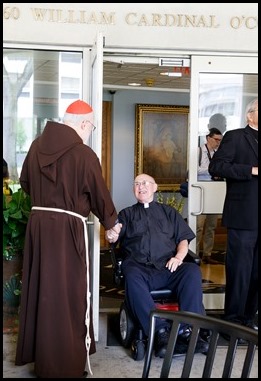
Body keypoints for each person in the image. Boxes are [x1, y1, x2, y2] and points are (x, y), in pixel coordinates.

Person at [15, 99, 122, 378]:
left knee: (43, 290)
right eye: (92, 126)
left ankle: (43, 360)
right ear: (84, 123)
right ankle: (63, 365)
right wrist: (111, 223)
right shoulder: (83, 154)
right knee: (68, 292)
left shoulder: (37, 146)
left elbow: (25, 182)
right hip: (67, 230)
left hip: (39, 227)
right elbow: (98, 193)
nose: (90, 131)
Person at [116, 173, 209, 358]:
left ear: (155, 187)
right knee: (131, 275)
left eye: (145, 183)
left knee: (191, 270)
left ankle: (189, 331)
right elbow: (113, 237)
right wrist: (112, 233)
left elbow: (184, 239)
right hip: (140, 268)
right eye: (136, 184)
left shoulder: (169, 212)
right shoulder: (126, 214)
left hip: (168, 267)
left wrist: (179, 257)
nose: (141, 187)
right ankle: (160, 332)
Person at [209, 98, 258, 332]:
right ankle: (233, 324)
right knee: (240, 271)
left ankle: (250, 320)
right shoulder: (236, 136)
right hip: (243, 216)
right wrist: (251, 170)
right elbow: (217, 167)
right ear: (250, 115)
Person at [197, 127, 223, 264]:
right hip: (201, 190)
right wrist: (211, 169)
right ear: (208, 138)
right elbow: (193, 170)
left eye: (220, 140)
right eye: (216, 140)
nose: (218, 143)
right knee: (199, 225)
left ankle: (207, 254)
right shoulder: (199, 151)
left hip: (214, 190)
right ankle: (194, 254)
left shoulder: (219, 153)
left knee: (212, 225)